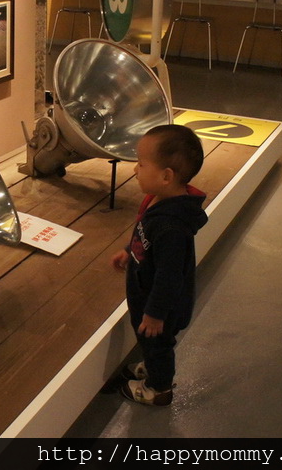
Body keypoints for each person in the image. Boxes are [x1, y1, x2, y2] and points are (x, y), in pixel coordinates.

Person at [110, 124, 208, 406]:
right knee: (151, 345)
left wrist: (154, 314)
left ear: (166, 176)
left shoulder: (172, 226)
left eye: (141, 164)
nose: (134, 169)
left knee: (158, 345)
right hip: (148, 294)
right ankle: (154, 368)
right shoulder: (160, 203)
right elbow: (146, 239)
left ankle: (159, 388)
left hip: (159, 308)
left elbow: (169, 276)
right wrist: (131, 251)